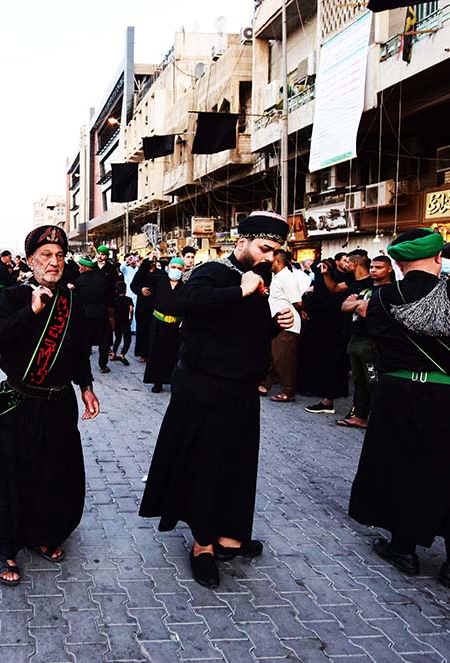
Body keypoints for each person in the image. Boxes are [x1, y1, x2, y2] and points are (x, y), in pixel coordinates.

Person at [139, 212, 294, 587]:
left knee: (237, 465)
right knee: (204, 465)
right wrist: (241, 289)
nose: (269, 258)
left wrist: (276, 323)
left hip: (240, 392)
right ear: (241, 242)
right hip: (204, 389)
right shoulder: (212, 271)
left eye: (275, 252)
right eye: (263, 248)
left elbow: (242, 331)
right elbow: (187, 303)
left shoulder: (261, 280)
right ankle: (203, 545)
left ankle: (230, 536)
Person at [349, 228, 450, 589]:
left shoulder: (382, 297)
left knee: (403, 467)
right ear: (440, 258)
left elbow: (377, 339)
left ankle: (403, 548)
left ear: (398, 263)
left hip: (398, 394)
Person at [0, 224, 100, 586]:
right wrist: (30, 311)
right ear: (30, 260)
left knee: (54, 472)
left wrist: (87, 387)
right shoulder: (15, 297)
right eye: (46, 256)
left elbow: (80, 350)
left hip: (59, 401)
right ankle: (5, 548)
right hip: (20, 401)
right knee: (12, 476)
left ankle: (43, 534)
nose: (54, 262)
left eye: (60, 256)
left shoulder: (71, 299)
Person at [336, 255, 393, 429]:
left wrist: (357, 303)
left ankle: (378, 418)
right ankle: (360, 415)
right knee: (358, 381)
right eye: (372, 267)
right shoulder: (365, 288)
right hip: (356, 339)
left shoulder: (389, 290)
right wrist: (359, 303)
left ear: (389, 269)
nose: (374, 270)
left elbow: (365, 312)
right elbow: (344, 306)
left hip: (372, 342)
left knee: (373, 381)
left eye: (379, 267)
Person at [299, 258, 349, 414]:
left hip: (322, 330)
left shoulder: (331, 287)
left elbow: (326, 302)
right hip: (330, 329)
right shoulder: (331, 285)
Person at [259, 250, 302, 402]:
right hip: (276, 324)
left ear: (277, 261)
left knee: (284, 360)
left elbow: (298, 301)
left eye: (271, 259)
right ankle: (264, 384)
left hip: (287, 325)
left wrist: (302, 314)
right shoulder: (278, 276)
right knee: (273, 356)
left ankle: (289, 391)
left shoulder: (287, 277)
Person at [143, 257, 186, 393]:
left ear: (183, 270)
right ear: (168, 268)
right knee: (157, 353)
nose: (176, 271)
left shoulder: (186, 286)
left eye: (179, 268)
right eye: (173, 267)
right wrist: (147, 261)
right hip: (158, 324)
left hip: (176, 326)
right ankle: (157, 382)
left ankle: (173, 381)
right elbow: (140, 278)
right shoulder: (159, 281)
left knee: (174, 355)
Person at [74, 256, 113, 374]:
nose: (79, 268)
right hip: (101, 314)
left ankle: (83, 366)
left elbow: (77, 300)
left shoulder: (80, 281)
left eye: (80, 266)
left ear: (85, 267)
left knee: (85, 341)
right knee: (104, 342)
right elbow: (109, 297)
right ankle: (103, 365)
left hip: (85, 315)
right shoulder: (102, 279)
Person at [131, 255, 160, 363]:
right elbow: (133, 285)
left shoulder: (161, 274)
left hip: (155, 305)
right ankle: (143, 353)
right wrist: (141, 290)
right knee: (143, 330)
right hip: (143, 306)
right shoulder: (141, 273)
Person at [111, 281, 133, 365]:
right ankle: (122, 355)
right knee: (127, 339)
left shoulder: (115, 300)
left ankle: (113, 354)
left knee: (118, 338)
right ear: (125, 290)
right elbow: (131, 310)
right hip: (125, 322)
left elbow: (112, 312)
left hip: (117, 321)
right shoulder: (128, 299)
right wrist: (131, 318)